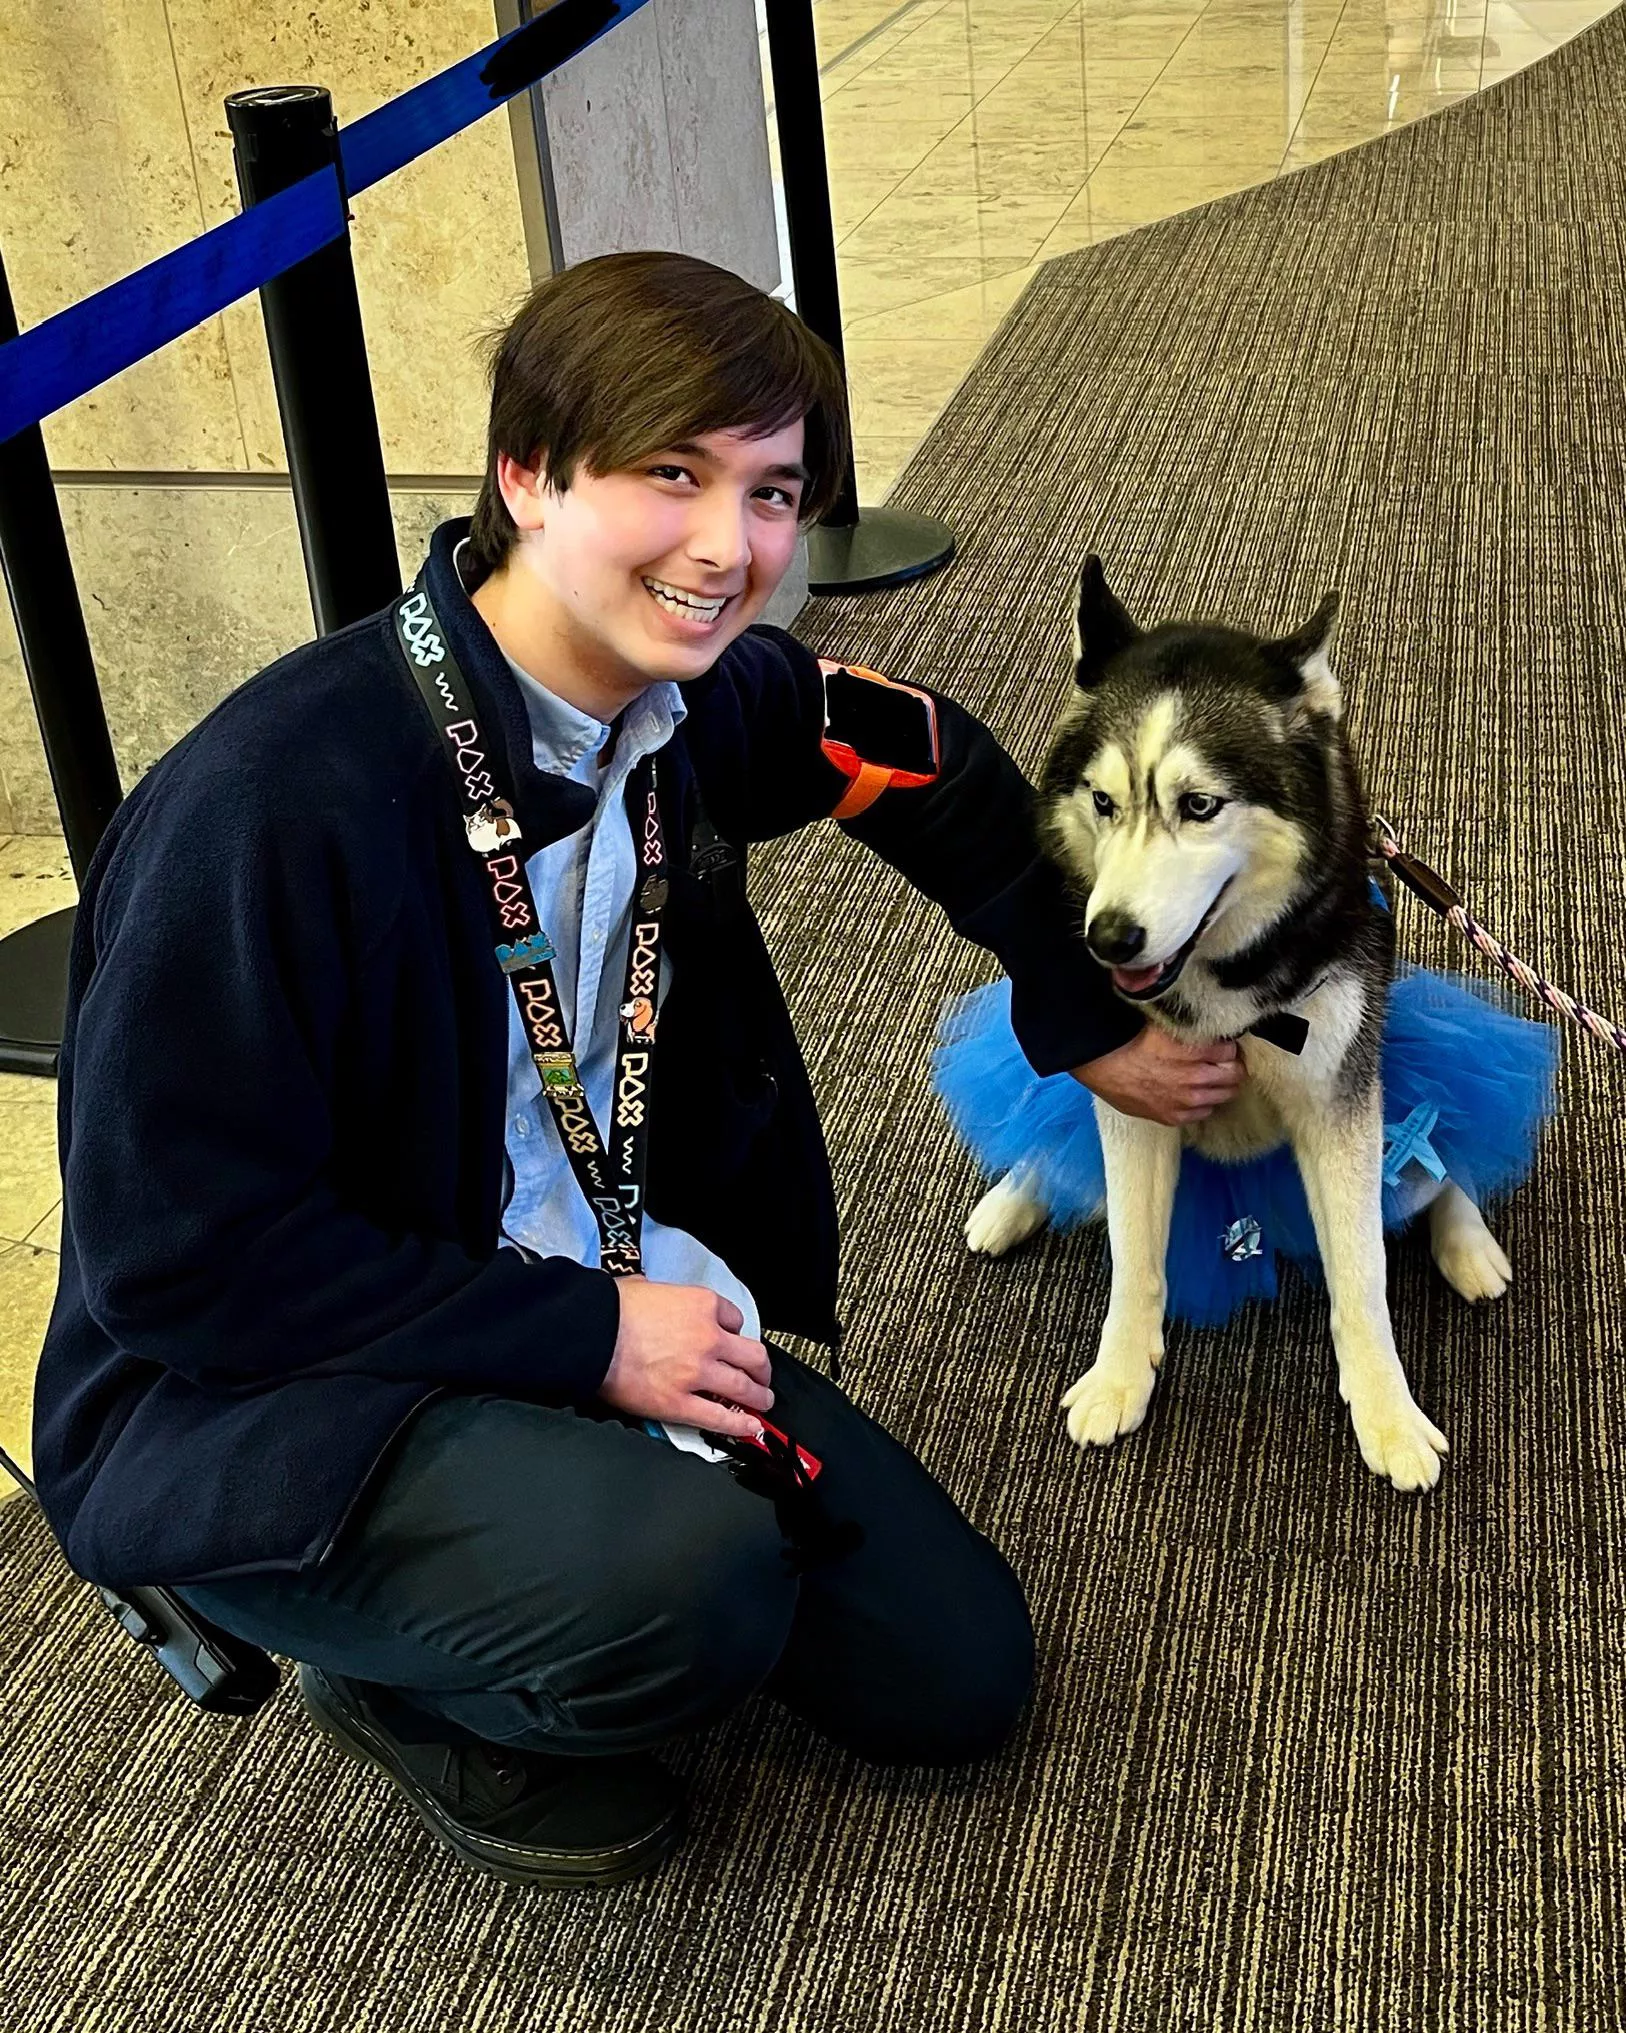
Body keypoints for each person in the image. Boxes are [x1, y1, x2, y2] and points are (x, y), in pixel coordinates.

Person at [31, 252, 1244, 1890]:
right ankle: (386, 1678)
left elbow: (936, 765)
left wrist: (1079, 1016)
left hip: (589, 1268)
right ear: (527, 477)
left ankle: (572, 1514)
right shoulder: (271, 807)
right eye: (670, 475)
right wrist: (589, 1339)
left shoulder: (697, 705)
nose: (727, 546)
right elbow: (181, 1269)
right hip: (268, 1380)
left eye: (770, 491)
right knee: (687, 1592)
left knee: (954, 1679)